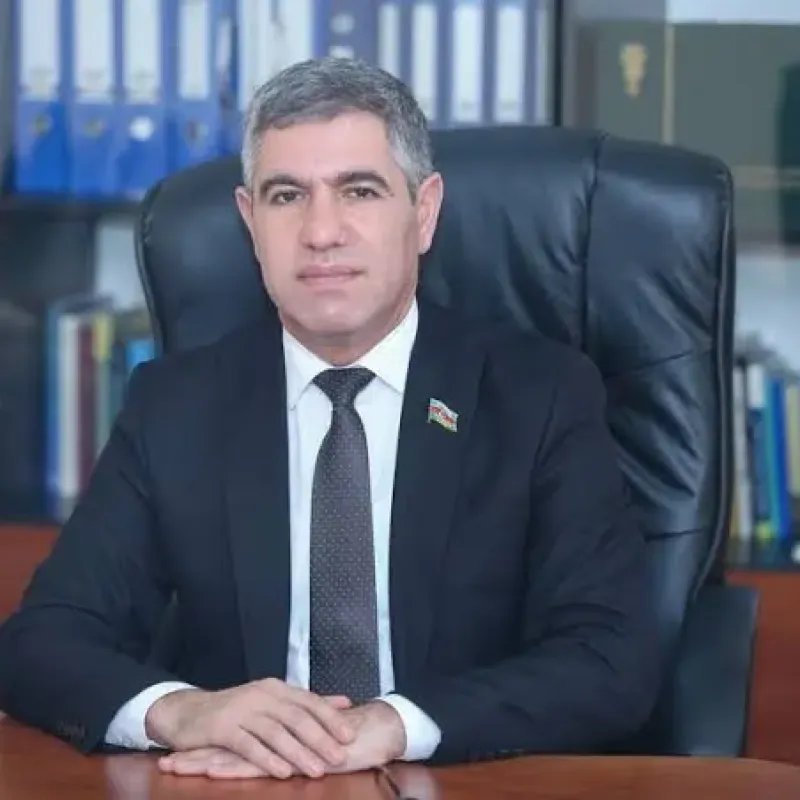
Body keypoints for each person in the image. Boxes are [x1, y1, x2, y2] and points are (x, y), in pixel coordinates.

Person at [0, 57, 659, 781]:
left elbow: (609, 659)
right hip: (245, 786)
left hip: (458, 781)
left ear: (424, 212)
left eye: (360, 191)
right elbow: (42, 642)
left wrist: (394, 725)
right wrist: (183, 712)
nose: (321, 231)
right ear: (250, 222)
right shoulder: (177, 404)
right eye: (287, 196)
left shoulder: (539, 395)